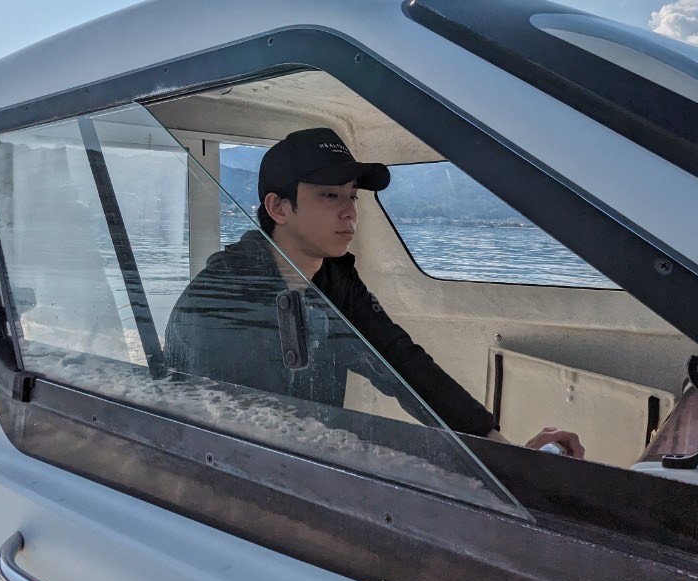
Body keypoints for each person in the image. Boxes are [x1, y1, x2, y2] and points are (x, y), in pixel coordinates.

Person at [164, 127, 583, 457]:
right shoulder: (221, 300)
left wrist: (497, 446)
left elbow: (398, 360)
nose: (349, 211)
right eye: (329, 194)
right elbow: (233, 436)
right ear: (279, 208)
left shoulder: (333, 278)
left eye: (352, 195)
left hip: (308, 460)